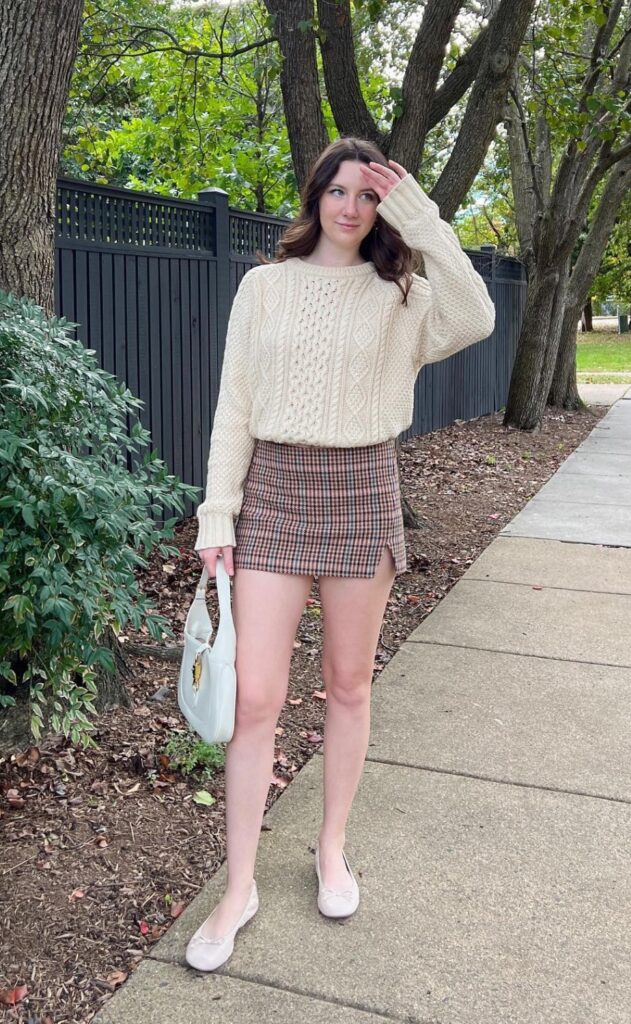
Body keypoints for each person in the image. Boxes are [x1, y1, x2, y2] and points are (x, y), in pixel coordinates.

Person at [185, 136, 495, 972]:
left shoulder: (402, 295)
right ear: (315, 194)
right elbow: (232, 408)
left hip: (363, 489)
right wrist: (218, 516)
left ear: (383, 208)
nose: (351, 207)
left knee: (348, 686)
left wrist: (424, 220)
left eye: (369, 196)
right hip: (276, 493)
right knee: (257, 699)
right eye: (338, 190)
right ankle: (238, 885)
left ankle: (329, 849)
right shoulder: (264, 287)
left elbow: (476, 317)